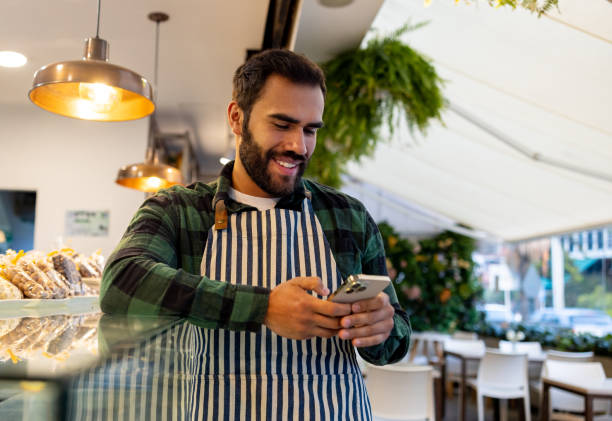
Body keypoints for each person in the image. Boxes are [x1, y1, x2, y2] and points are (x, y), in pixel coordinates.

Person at [101, 49, 411, 420]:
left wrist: (381, 327)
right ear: (237, 117)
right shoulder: (179, 210)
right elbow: (122, 283)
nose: (299, 145)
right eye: (282, 124)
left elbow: (396, 341)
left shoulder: (347, 217)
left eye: (310, 129)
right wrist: (262, 307)